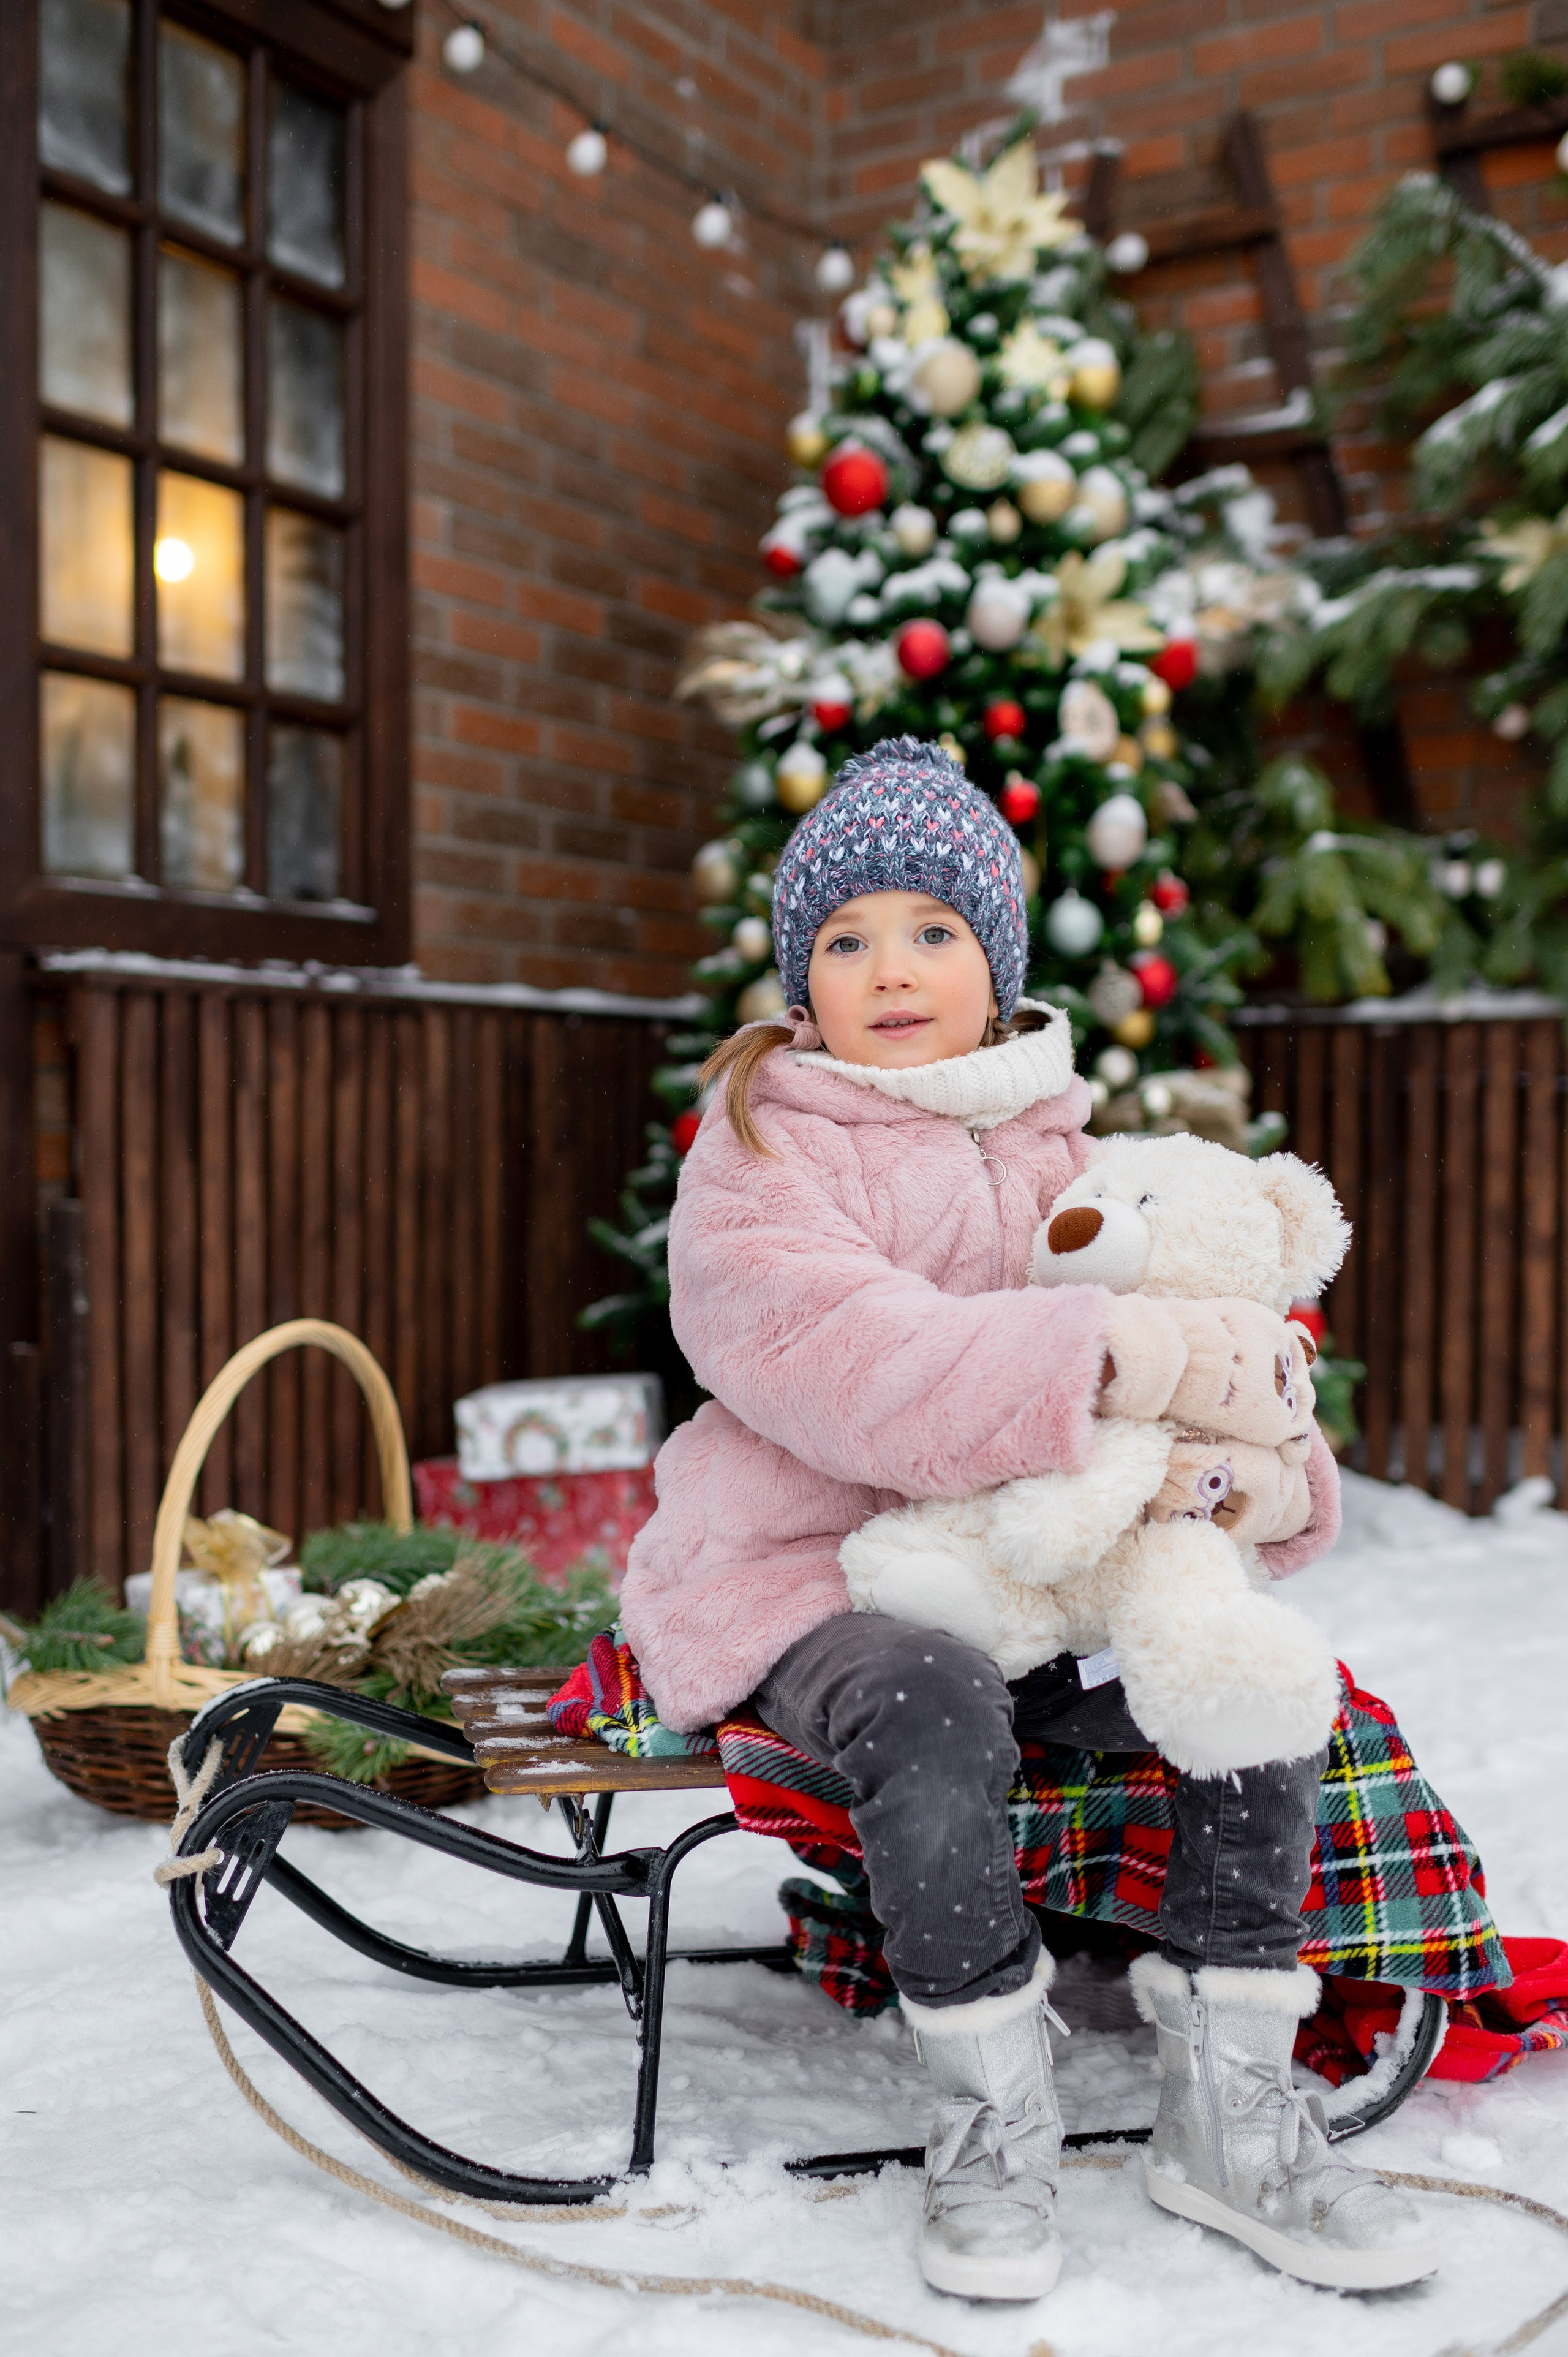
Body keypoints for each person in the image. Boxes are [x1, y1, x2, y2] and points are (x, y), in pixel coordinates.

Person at [620, 738, 1436, 2301]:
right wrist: (1104, 1355)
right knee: (923, 1691)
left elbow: (1217, 1332)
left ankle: (1229, 2106)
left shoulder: (1079, 1153)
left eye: (933, 929)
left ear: (993, 963)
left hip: (1047, 1566)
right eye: (845, 939)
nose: (892, 968)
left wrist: (1250, 1467)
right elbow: (842, 1360)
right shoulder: (760, 1152)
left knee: (1235, 1676)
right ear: (802, 981)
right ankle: (990, 2106)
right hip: (806, 1571)